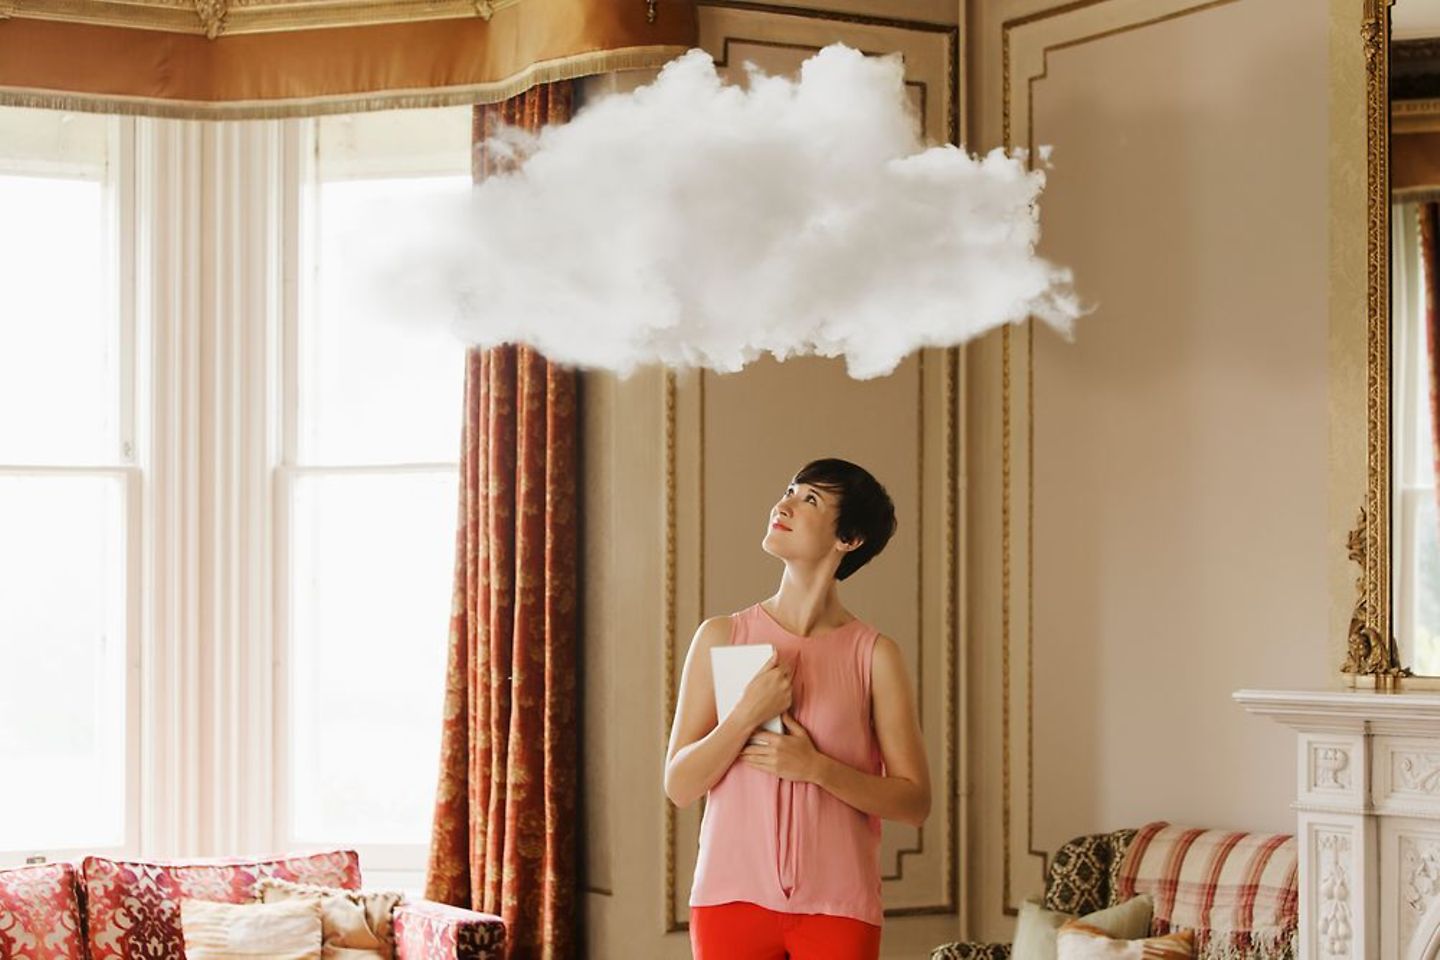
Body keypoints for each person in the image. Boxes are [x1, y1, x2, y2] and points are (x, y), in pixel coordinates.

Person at [664, 457, 931, 960]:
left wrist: (815, 768)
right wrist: (744, 716)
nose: (783, 504)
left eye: (810, 499)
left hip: (839, 907)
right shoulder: (721, 636)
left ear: (848, 538)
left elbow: (914, 803)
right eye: (789, 489)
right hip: (729, 901)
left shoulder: (875, 655)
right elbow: (679, 785)